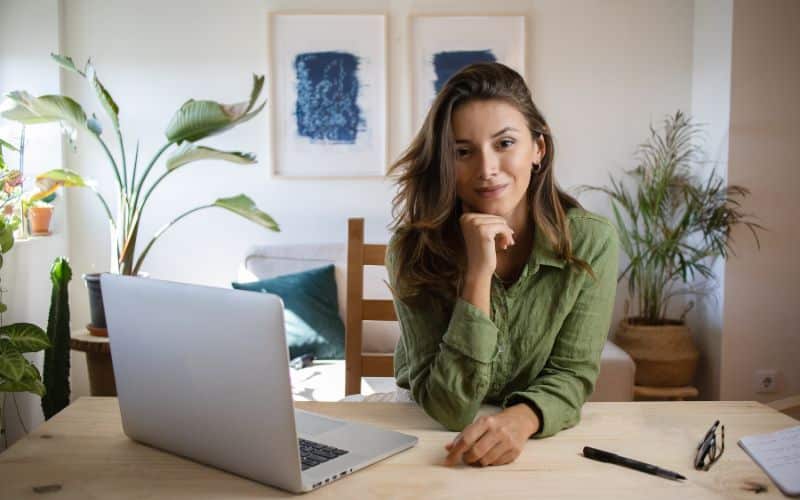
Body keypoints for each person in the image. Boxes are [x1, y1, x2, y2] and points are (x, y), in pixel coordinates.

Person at [386, 62, 619, 467]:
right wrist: (478, 274)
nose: (487, 169)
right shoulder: (412, 249)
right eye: (463, 152)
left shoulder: (591, 241)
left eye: (505, 143)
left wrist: (521, 420)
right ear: (445, 161)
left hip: (539, 442)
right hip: (427, 440)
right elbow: (449, 408)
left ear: (538, 149)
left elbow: (572, 374)